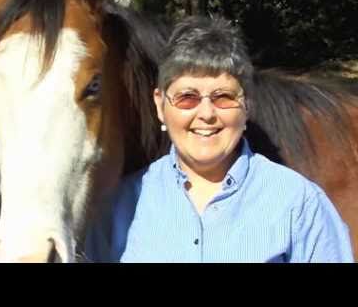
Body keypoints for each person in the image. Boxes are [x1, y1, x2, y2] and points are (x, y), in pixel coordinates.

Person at [85, 15, 354, 263]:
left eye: (223, 97)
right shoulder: (118, 208)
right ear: (160, 105)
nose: (206, 114)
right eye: (187, 97)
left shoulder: (298, 203)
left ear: (246, 104)